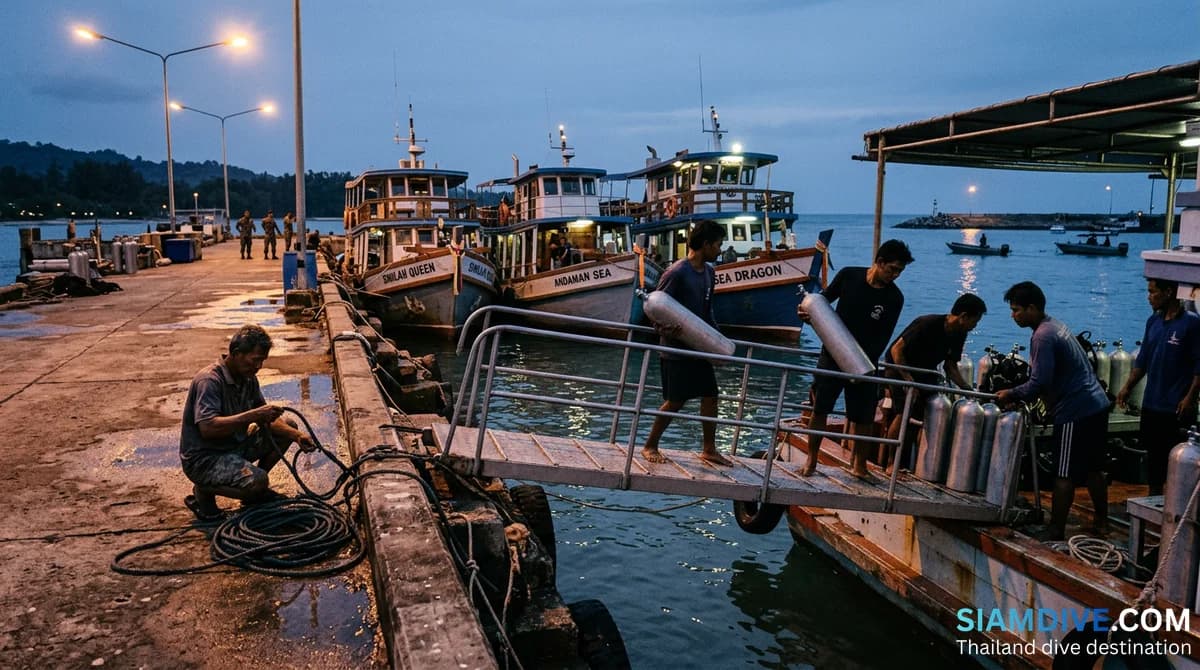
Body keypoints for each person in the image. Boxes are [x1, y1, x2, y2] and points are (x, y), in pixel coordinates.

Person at [996, 281, 1110, 541]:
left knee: (1063, 471)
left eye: (1016, 310)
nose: (1013, 315)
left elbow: (1040, 381)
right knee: (1094, 468)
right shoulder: (1055, 326)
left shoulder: (1042, 336)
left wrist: (1011, 393)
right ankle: (1102, 522)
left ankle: (1056, 529)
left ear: (1032, 308)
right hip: (1097, 404)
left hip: (1076, 410)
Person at [798, 238, 913, 479]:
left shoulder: (895, 298)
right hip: (832, 354)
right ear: (879, 262)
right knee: (820, 408)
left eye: (900, 272)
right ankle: (811, 460)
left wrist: (860, 365)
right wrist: (806, 313)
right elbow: (822, 301)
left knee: (864, 416)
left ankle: (859, 466)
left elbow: (883, 337)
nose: (895, 275)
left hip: (864, 362)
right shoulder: (849, 276)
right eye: (893, 269)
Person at [179, 324, 315, 520]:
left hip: (232, 447)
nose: (259, 366)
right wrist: (253, 415)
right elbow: (208, 428)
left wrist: (297, 436)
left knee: (288, 426)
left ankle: (253, 493)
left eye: (262, 361)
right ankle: (204, 490)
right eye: (255, 360)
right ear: (236, 353)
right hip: (204, 459)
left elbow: (267, 420)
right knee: (259, 481)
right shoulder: (209, 381)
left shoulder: (248, 378)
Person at [640, 220, 733, 467]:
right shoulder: (676, 272)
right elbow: (653, 308)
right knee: (676, 400)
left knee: (711, 396)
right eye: (718, 245)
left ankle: (709, 449)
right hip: (676, 350)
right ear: (706, 244)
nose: (720, 250)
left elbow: (707, 310)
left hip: (700, 347)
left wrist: (718, 340)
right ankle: (650, 445)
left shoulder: (710, 273)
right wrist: (663, 329)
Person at [881, 293, 986, 470]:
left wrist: (967, 389)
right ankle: (891, 462)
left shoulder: (959, 334)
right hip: (899, 368)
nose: (974, 326)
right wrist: (908, 380)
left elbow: (950, 366)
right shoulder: (927, 323)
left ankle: (909, 463)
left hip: (925, 372)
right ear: (963, 316)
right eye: (974, 321)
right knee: (905, 411)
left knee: (927, 410)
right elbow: (896, 350)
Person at [1116, 278, 1200, 496]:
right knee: (1154, 464)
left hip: (1175, 408)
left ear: (1168, 292)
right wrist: (1127, 387)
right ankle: (1154, 501)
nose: (1149, 297)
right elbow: (1142, 360)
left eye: (1153, 292)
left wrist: (1190, 397)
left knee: (1177, 464)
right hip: (1152, 404)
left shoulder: (1191, 324)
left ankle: (1177, 504)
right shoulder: (1153, 322)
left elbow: (1199, 366)